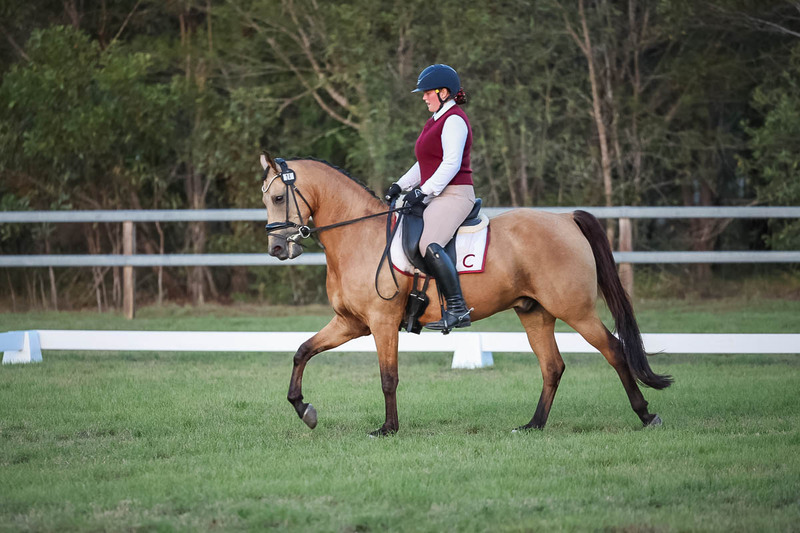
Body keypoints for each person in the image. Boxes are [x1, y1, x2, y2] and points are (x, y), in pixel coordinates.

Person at [385, 64, 475, 332]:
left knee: (429, 243)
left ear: (444, 92)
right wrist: (399, 185)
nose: (423, 97)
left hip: (455, 194)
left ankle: (457, 309)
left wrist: (422, 191)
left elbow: (450, 164)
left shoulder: (455, 120)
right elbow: (423, 164)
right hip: (437, 193)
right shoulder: (435, 119)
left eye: (427, 92)